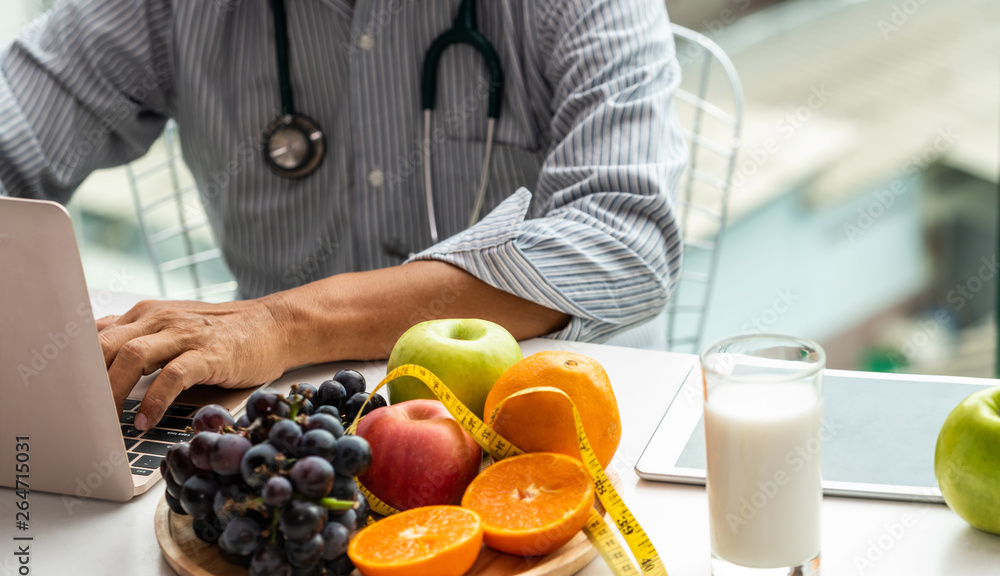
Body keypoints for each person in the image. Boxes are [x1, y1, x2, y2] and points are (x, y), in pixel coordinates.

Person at [0, 0, 687, 430]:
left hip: (548, 432)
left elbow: (625, 238)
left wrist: (284, 322)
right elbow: (17, 124)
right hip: (296, 445)